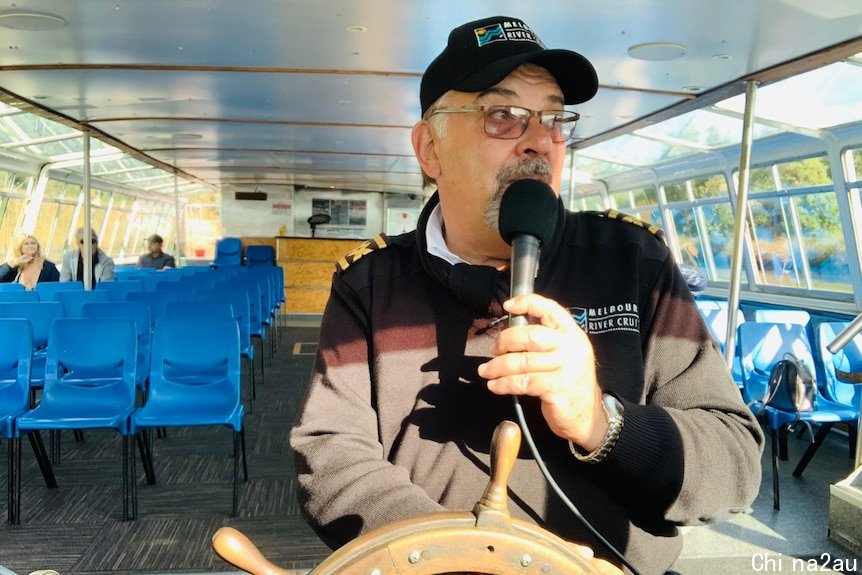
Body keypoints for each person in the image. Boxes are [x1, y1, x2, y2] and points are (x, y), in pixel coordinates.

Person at [290, 15, 763, 575]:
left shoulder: (632, 260)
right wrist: (457, 556)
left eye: (554, 118)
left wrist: (602, 421)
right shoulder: (369, 282)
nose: (541, 140)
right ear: (429, 148)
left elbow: (735, 462)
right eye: (502, 115)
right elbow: (331, 452)